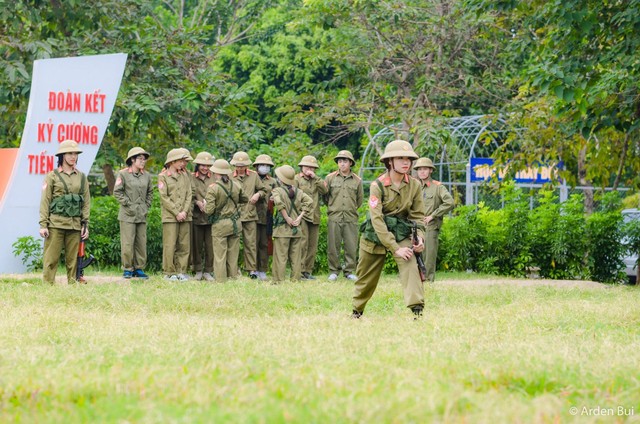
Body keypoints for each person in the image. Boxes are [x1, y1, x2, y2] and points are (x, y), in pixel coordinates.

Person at [352, 140, 426, 319]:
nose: (405, 162)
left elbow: (418, 216)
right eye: (400, 158)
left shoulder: (415, 185)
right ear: (389, 162)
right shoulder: (377, 186)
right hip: (376, 233)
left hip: (401, 231)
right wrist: (395, 248)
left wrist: (420, 238)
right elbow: (377, 220)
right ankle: (357, 311)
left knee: (411, 265)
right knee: (366, 277)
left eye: (408, 158)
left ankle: (417, 310)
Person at [39, 139, 90, 284]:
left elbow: (86, 202)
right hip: (56, 224)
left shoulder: (81, 177)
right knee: (51, 259)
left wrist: (85, 225)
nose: (73, 156)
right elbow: (45, 201)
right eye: (69, 153)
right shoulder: (52, 176)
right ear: (62, 155)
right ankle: (47, 288)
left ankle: (73, 288)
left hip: (74, 225)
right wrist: (43, 224)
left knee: (73, 262)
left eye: (75, 154)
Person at [204, 159, 248, 282]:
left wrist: (204, 205)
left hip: (220, 225)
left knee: (219, 255)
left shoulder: (213, 188)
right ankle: (233, 277)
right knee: (233, 254)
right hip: (235, 223)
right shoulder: (236, 185)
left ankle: (220, 279)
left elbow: (209, 210)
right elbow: (245, 199)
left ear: (216, 173)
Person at [113, 147, 153, 279]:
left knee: (141, 242)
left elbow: (150, 192)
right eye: (140, 159)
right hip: (127, 214)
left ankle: (139, 268)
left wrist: (146, 206)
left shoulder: (146, 175)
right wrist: (128, 204)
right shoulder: (123, 174)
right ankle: (127, 268)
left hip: (141, 214)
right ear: (132, 159)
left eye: (144, 159)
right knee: (127, 242)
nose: (143, 161)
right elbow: (117, 192)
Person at [324, 150, 363, 281]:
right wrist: (334, 208)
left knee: (351, 245)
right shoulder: (330, 178)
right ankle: (334, 271)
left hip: (351, 217)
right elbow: (326, 197)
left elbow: (359, 200)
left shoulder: (357, 180)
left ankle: (349, 271)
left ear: (350, 163)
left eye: (345, 161)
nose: (342, 164)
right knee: (333, 245)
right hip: (334, 216)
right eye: (340, 161)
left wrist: (350, 209)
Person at [414, 157, 454, 283]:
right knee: (415, 255)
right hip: (416, 226)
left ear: (430, 170)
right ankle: (416, 281)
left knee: (428, 257)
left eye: (425, 169)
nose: (422, 172)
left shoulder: (438, 187)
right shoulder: (415, 186)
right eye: (419, 169)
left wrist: (433, 215)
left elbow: (450, 203)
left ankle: (428, 282)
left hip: (430, 226)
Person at [271, 165, 313, 282]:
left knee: (281, 256)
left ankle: (278, 280)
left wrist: (286, 217)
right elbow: (309, 201)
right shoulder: (299, 191)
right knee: (296, 257)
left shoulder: (277, 190)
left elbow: (279, 203)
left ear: (280, 179)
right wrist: (299, 217)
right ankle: (295, 279)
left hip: (282, 229)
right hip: (296, 229)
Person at [158, 148, 193, 281]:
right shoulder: (163, 177)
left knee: (184, 244)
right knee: (170, 244)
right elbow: (164, 197)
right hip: (170, 217)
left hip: (184, 215)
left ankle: (181, 271)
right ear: (172, 161)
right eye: (181, 161)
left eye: (184, 161)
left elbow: (189, 194)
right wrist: (177, 212)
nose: (183, 164)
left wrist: (184, 211)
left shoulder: (185, 175)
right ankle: (169, 272)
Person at [230, 151, 266, 279]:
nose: (240, 168)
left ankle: (251, 270)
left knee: (250, 243)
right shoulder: (229, 176)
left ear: (247, 165)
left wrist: (258, 194)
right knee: (233, 244)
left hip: (250, 213)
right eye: (238, 166)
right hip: (234, 215)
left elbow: (263, 190)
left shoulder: (254, 176)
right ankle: (232, 269)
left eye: (242, 165)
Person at [294, 155, 326, 280]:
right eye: (307, 167)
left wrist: (316, 178)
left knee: (313, 245)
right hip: (302, 216)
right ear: (301, 167)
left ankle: (308, 270)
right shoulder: (297, 179)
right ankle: (300, 270)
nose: (309, 169)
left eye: (312, 168)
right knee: (303, 243)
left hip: (315, 216)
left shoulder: (316, 180)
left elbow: (325, 191)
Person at [190, 152, 216, 281]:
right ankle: (198, 270)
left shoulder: (215, 177)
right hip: (196, 217)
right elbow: (189, 194)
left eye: (207, 165)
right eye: (202, 165)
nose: (205, 168)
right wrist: (197, 202)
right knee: (196, 245)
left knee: (210, 246)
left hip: (211, 218)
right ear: (197, 165)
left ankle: (208, 271)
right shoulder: (191, 177)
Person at [253, 154, 278, 281]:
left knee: (264, 243)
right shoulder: (251, 178)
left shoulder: (273, 181)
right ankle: (253, 269)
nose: (265, 167)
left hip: (267, 215)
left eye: (267, 166)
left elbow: (278, 195)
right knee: (253, 243)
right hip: (252, 215)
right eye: (262, 165)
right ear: (257, 166)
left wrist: (274, 199)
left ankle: (262, 269)